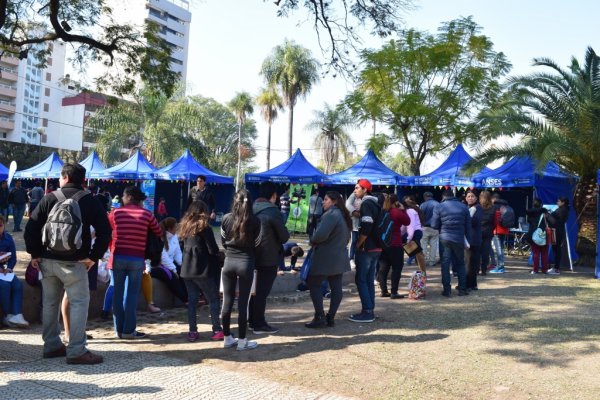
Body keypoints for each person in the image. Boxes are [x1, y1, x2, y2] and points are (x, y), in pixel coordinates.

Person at [24, 163, 111, 365]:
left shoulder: (50, 198)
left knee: (50, 303)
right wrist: (93, 257)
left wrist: (35, 254)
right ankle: (76, 350)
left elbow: (32, 228)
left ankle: (52, 346)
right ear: (82, 180)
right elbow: (105, 231)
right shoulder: (89, 200)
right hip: (75, 262)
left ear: (64, 177)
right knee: (79, 303)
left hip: (47, 260)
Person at [108, 186, 161, 339]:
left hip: (117, 257)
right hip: (137, 259)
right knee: (131, 295)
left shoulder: (115, 213)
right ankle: (129, 331)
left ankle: (118, 330)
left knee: (117, 295)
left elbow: (106, 230)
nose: (122, 200)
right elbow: (158, 232)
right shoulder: (147, 214)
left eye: (123, 197)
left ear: (129, 197)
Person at [220, 189, 261, 351]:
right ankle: (243, 341)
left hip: (228, 263)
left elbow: (223, 241)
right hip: (246, 263)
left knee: (227, 302)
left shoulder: (225, 218)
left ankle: (227, 337)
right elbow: (257, 244)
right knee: (244, 303)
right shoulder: (256, 221)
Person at [304, 191, 351, 328]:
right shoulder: (342, 215)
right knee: (336, 287)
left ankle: (320, 316)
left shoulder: (331, 215)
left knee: (314, 284)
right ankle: (330, 317)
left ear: (334, 201)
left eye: (325, 200)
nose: (323, 202)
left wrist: (312, 240)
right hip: (339, 256)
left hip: (326, 257)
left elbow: (320, 235)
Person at [179, 200, 224, 342]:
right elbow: (213, 250)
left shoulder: (184, 228)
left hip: (186, 270)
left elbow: (182, 247)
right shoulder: (205, 228)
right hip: (202, 270)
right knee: (213, 299)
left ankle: (192, 331)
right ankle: (217, 329)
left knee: (192, 301)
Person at [250, 182, 290, 334]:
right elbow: (284, 237)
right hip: (268, 257)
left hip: (251, 256)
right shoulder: (273, 212)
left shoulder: (251, 209)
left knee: (253, 291)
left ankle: (252, 320)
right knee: (262, 292)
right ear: (273, 195)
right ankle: (259, 324)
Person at [348, 179, 381, 323]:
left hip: (367, 247)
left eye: (357, 188)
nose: (355, 191)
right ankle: (370, 309)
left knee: (361, 279)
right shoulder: (376, 203)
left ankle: (367, 311)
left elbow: (367, 225)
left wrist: (358, 243)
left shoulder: (366, 203)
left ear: (365, 189)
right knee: (368, 279)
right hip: (377, 247)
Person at [431, 190, 471, 297]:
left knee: (445, 264)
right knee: (460, 264)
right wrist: (468, 241)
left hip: (445, 238)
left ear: (443, 196)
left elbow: (434, 225)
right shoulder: (464, 207)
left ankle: (447, 291)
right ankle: (462, 290)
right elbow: (468, 227)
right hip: (459, 239)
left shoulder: (439, 207)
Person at [376, 194, 410, 299]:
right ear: (396, 202)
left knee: (383, 268)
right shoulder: (396, 212)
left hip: (382, 243)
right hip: (395, 243)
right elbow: (407, 221)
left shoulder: (381, 212)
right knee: (397, 268)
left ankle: (383, 290)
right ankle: (394, 291)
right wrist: (403, 209)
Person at [149, 217, 188, 305]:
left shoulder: (174, 237)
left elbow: (178, 253)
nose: (177, 229)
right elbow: (163, 257)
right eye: (175, 227)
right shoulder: (160, 237)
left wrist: (182, 264)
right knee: (171, 276)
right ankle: (185, 299)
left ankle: (190, 295)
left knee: (183, 271)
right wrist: (174, 270)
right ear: (170, 228)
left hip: (169, 263)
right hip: (156, 265)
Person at [0, 215, 28, 328]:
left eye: (0, 225)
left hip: (5, 271)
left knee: (17, 285)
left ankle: (17, 314)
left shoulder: (8, 238)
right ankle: (7, 315)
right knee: (4, 286)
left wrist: (9, 268)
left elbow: (13, 258)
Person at [401, 195, 427, 274]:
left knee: (418, 254)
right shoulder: (414, 210)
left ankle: (422, 273)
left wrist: (408, 238)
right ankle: (422, 272)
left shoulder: (410, 211)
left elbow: (410, 225)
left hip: (413, 233)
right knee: (418, 254)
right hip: (415, 232)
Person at [546, 197, 570, 275]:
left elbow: (553, 221)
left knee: (556, 249)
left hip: (557, 231)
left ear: (563, 202)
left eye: (559, 201)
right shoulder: (563, 209)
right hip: (557, 231)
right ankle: (555, 267)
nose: (557, 202)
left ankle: (556, 268)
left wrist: (547, 215)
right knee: (555, 249)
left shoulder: (562, 210)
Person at [465, 190, 483, 291]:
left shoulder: (477, 208)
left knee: (470, 262)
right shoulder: (469, 208)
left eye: (472, 196)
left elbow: (474, 222)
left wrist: (465, 219)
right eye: (468, 196)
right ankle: (472, 284)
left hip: (473, 239)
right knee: (471, 262)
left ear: (476, 198)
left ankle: (469, 285)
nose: (470, 198)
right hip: (471, 238)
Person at [526, 198, 549, 274]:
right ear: (541, 204)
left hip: (534, 234)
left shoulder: (530, 213)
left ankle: (535, 269)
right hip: (544, 234)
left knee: (535, 253)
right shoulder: (544, 212)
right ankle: (544, 269)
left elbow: (529, 220)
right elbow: (551, 221)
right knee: (544, 253)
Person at [489, 193, 510, 274]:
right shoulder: (505, 206)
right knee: (501, 248)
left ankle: (500, 267)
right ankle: (501, 266)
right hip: (504, 230)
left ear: (494, 199)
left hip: (497, 231)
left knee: (498, 249)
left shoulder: (495, 207)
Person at [420, 192, 440, 268]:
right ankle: (432, 261)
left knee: (423, 245)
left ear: (425, 197)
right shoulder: (437, 204)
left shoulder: (423, 205)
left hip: (425, 227)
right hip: (435, 228)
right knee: (434, 245)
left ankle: (423, 261)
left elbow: (421, 216)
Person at [479, 191, 495, 275]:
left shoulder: (477, 207)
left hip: (478, 232)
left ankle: (477, 268)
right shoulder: (493, 208)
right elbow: (495, 222)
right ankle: (484, 269)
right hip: (488, 232)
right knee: (485, 251)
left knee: (477, 251)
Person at [345, 192, 363, 267]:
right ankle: (351, 258)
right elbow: (348, 204)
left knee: (361, 241)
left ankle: (358, 258)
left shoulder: (366, 196)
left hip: (362, 223)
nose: (356, 190)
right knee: (354, 240)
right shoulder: (353, 195)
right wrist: (354, 212)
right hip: (354, 223)